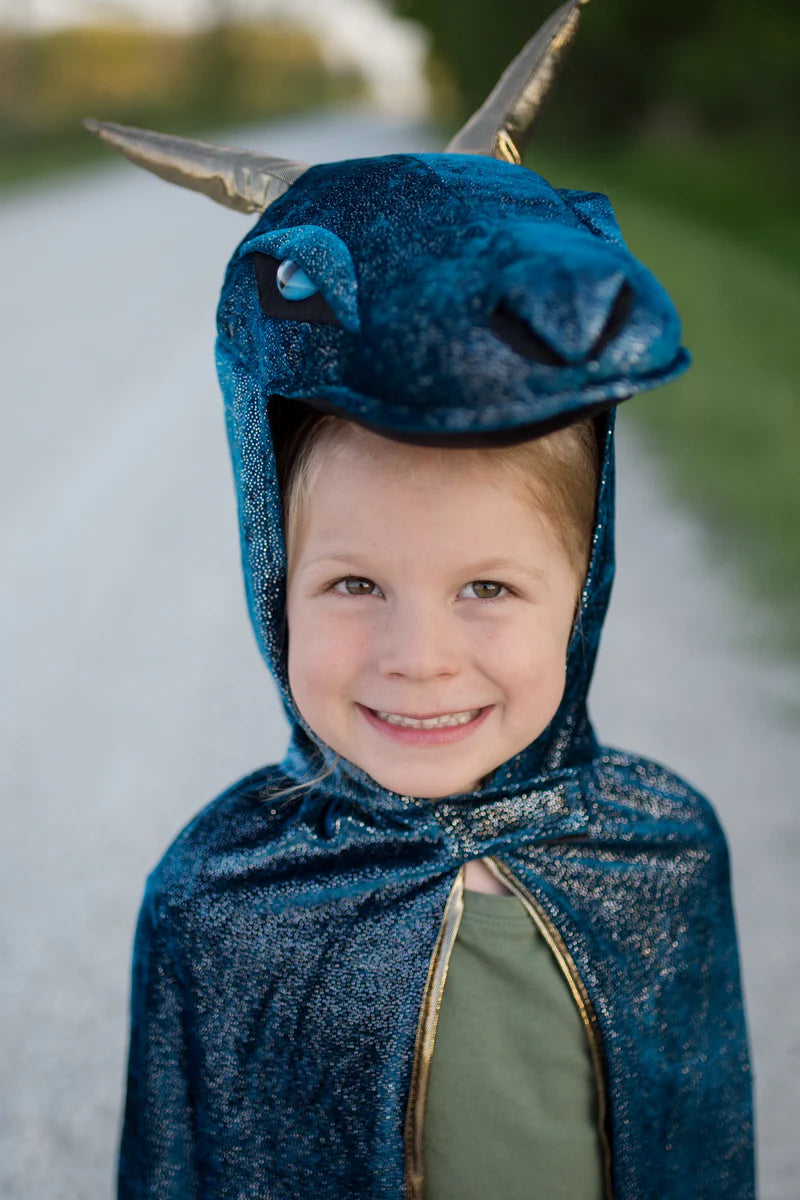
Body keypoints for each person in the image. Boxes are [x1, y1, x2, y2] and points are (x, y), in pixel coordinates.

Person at [88, 3, 755, 1196]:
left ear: (582, 584)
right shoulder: (221, 902)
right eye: (352, 583)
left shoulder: (661, 856)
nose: (419, 656)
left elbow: (704, 1152)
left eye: (488, 586)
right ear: (269, 572)